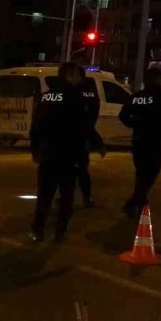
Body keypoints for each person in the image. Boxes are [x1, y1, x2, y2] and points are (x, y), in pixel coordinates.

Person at [29, 62, 97, 242]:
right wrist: (87, 152)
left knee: (44, 196)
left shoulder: (47, 97)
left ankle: (38, 230)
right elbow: (83, 127)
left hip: (48, 155)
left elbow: (36, 125)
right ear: (70, 74)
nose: (79, 78)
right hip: (68, 156)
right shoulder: (75, 96)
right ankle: (60, 232)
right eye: (76, 74)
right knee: (66, 198)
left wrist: (35, 148)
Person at [119, 67, 161, 217]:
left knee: (141, 172)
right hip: (156, 140)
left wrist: (136, 124)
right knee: (151, 173)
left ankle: (139, 202)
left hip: (139, 139)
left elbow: (123, 115)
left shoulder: (137, 96)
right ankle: (134, 202)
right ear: (158, 78)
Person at [74, 66, 106, 206]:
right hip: (73, 139)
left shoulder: (81, 92)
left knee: (80, 169)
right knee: (78, 170)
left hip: (77, 139)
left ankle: (85, 196)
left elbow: (86, 122)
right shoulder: (86, 92)